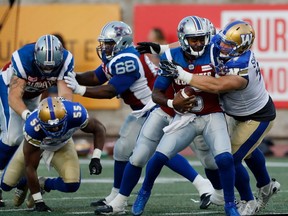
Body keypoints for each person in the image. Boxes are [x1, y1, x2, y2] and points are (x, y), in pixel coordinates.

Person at [158, 20, 280, 215]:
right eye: (223, 42)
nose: (222, 47)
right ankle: (266, 186)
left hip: (257, 117)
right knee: (246, 150)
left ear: (242, 47)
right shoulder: (221, 42)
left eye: (229, 45)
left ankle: (249, 201)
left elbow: (217, 86)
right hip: (235, 112)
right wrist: (162, 48)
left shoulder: (241, 65)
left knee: (232, 157)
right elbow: (192, 43)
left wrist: (184, 75)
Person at [132, 16, 238, 216]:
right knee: (158, 157)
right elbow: (157, 93)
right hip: (185, 117)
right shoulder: (172, 56)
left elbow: (226, 84)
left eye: (201, 38)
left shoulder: (216, 53)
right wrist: (173, 103)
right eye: (193, 39)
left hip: (211, 114)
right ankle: (144, 192)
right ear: (183, 39)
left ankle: (230, 203)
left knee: (224, 159)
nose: (198, 43)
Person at [0, 34, 74, 207]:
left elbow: (65, 95)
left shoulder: (66, 60)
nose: (47, 72)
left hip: (35, 94)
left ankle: (23, 179)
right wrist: (28, 116)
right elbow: (14, 97)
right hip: (8, 88)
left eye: (52, 69)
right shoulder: (23, 58)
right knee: (13, 137)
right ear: (35, 56)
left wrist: (58, 114)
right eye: (43, 67)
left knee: (39, 135)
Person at [1, 97, 106, 212]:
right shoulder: (33, 128)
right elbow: (30, 167)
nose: (55, 130)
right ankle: (23, 182)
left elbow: (99, 129)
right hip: (38, 145)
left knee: (72, 184)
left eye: (58, 125)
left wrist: (96, 157)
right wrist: (39, 202)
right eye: (50, 127)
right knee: (6, 185)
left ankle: (43, 183)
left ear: (65, 116)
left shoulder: (76, 113)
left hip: (62, 144)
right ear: (40, 122)